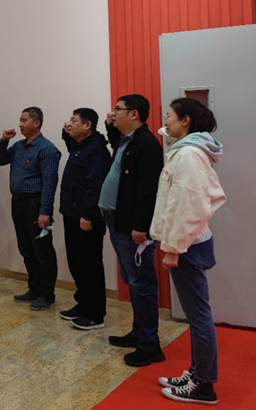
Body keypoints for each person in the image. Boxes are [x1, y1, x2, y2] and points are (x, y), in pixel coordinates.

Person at [151, 98, 225, 405]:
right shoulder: (187, 148)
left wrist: (173, 248)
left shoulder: (189, 155)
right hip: (189, 244)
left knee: (199, 317)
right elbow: (166, 134)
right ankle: (197, 372)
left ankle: (204, 386)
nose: (164, 121)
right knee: (197, 316)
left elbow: (188, 206)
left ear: (186, 121)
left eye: (169, 116)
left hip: (187, 246)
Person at [99, 94, 165, 367]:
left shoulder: (146, 144)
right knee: (133, 280)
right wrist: (110, 125)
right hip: (117, 220)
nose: (114, 113)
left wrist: (140, 226)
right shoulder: (127, 141)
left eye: (118, 109)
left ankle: (150, 345)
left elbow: (148, 190)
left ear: (134, 114)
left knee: (142, 283)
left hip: (132, 226)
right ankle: (138, 333)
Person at [0, 107, 61, 311]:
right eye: (20, 120)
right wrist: (4, 140)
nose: (20, 124)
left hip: (36, 205)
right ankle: (34, 288)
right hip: (18, 203)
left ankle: (46, 294)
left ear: (37, 123)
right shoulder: (18, 146)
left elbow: (50, 183)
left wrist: (45, 211)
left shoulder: (47, 149)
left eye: (24, 120)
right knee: (26, 248)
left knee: (43, 250)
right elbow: (0, 159)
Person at [59, 108, 111, 330]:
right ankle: (83, 304)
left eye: (74, 120)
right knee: (76, 262)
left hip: (86, 217)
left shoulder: (96, 149)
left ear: (87, 125)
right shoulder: (79, 146)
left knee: (90, 265)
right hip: (72, 214)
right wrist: (66, 133)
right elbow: (69, 142)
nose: (69, 123)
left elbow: (95, 184)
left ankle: (95, 314)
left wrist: (88, 214)